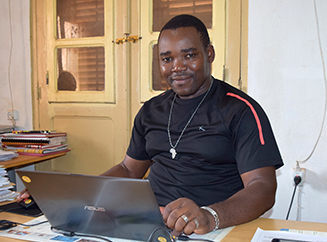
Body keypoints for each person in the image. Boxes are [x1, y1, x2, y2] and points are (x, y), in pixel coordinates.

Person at [18, 14, 283, 236]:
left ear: (209, 53)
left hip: (212, 228)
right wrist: (73, 194)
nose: (177, 67)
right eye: (167, 59)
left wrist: (210, 215)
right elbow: (128, 170)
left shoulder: (241, 110)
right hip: (147, 226)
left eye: (189, 55)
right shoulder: (151, 111)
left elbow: (262, 187)